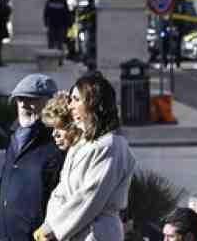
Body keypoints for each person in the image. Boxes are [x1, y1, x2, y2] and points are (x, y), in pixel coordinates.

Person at [36, 73, 134, 241]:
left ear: (92, 103)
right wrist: (48, 225)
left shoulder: (111, 145)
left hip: (96, 233)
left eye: (75, 99)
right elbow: (61, 190)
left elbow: (89, 198)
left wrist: (54, 230)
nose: (70, 105)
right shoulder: (81, 144)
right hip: (71, 231)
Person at [0, 75, 64, 241]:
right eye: (19, 99)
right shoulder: (14, 135)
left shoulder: (58, 142)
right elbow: (3, 185)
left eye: (31, 99)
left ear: (50, 102)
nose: (23, 104)